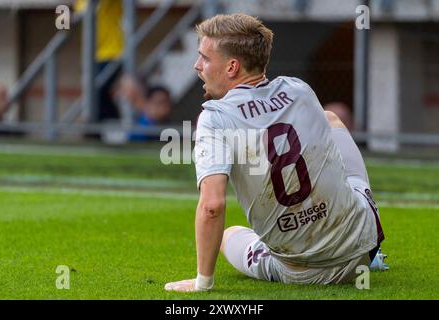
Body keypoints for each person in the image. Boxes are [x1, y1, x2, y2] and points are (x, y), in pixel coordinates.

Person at [164, 13, 387, 292]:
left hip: (302, 273)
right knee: (331, 119)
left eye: (205, 58)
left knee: (229, 235)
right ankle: (369, 248)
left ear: (232, 67)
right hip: (362, 249)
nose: (197, 65)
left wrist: (203, 282)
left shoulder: (214, 118)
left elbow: (212, 206)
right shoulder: (299, 90)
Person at [75, 0, 124, 123]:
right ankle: (102, 129)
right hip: (91, 55)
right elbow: (63, 26)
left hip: (113, 51)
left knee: (98, 90)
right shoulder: (80, 2)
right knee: (96, 94)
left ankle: (113, 125)